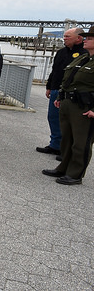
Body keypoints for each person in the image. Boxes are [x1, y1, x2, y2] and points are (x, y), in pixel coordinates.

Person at [42, 27, 94, 185]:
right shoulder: (83, 58)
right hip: (68, 104)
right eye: (85, 38)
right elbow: (68, 79)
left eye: (90, 38)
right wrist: (61, 96)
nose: (85, 40)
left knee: (81, 142)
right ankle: (63, 167)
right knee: (67, 139)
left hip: (84, 107)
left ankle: (75, 174)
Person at [36, 28, 85, 157]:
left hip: (71, 93)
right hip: (56, 90)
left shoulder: (84, 54)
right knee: (53, 118)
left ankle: (66, 150)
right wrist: (49, 86)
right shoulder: (61, 52)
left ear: (78, 38)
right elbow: (54, 71)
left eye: (68, 36)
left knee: (67, 122)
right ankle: (55, 145)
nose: (64, 39)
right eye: (64, 36)